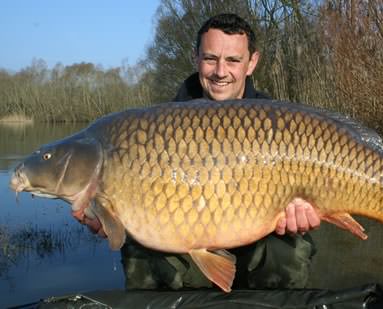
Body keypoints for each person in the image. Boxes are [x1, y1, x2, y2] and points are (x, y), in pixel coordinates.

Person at [120, 13, 321, 290]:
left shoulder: (275, 122)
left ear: (252, 62)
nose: (220, 71)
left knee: (289, 245)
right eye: (211, 58)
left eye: (233, 60)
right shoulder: (162, 125)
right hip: (184, 239)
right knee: (139, 246)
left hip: (257, 235)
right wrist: (111, 218)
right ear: (196, 58)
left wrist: (304, 213)